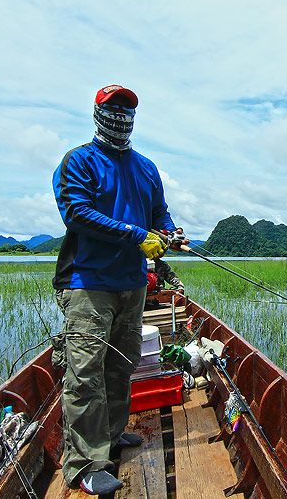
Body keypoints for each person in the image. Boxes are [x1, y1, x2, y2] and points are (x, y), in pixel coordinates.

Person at [52, 84, 187, 495]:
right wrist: (136, 236)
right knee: (85, 373)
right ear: (97, 112)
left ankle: (109, 437)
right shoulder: (80, 160)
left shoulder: (145, 167)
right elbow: (76, 213)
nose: (121, 114)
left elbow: (159, 213)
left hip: (131, 284)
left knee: (121, 365)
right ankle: (84, 464)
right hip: (88, 283)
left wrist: (167, 233)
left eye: (128, 107)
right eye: (113, 107)